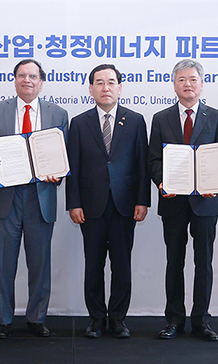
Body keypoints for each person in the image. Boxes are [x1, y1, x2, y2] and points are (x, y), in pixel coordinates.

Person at [0, 59, 69, 339]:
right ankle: (4, 319)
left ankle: (37, 317)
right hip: (6, 195)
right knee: (4, 262)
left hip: (40, 196)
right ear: (15, 79)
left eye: (33, 76)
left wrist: (58, 173)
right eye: (22, 75)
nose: (27, 80)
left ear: (41, 82)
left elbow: (63, 154)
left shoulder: (59, 114)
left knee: (40, 263)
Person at [147, 59, 218, 341]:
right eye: (182, 79)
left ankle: (201, 321)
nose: (187, 84)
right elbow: (154, 159)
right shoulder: (161, 118)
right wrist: (162, 182)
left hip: (205, 203)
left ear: (201, 84)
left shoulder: (216, 117)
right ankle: (173, 319)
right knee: (174, 261)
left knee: (204, 262)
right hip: (173, 201)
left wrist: (214, 183)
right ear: (174, 85)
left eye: (193, 79)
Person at [66, 64, 150, 339]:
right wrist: (73, 203)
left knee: (122, 264)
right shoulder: (79, 123)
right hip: (90, 206)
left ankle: (118, 318)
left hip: (125, 205)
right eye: (99, 83)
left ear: (120, 87)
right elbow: (73, 168)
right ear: (90, 89)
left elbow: (141, 164)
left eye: (111, 82)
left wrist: (143, 200)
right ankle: (96, 318)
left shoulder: (136, 120)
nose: (105, 88)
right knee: (93, 264)